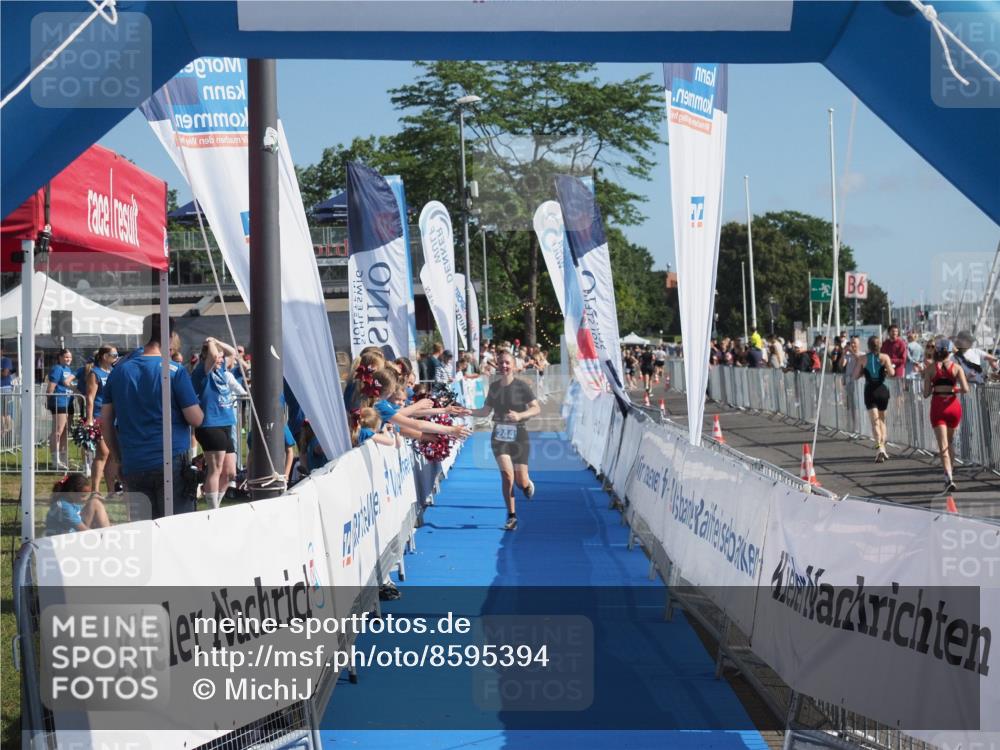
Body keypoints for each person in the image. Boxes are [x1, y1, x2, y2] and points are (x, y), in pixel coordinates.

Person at [102, 315, 204, 519]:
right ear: (169, 336)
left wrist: (118, 458)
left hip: (134, 461)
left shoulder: (118, 372)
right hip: (171, 461)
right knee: (177, 528)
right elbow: (195, 418)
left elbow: (105, 423)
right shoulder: (175, 371)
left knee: (145, 529)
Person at [468, 350, 541, 531]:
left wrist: (520, 415)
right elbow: (485, 411)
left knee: (520, 482)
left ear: (514, 366)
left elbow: (536, 408)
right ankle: (511, 516)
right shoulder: (494, 388)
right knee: (507, 476)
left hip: (519, 436)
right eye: (501, 363)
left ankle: (527, 483)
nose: (504, 366)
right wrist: (466, 411)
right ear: (497, 365)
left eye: (507, 362)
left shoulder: (522, 386)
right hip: (499, 436)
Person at [191, 337, 239, 509]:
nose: (220, 359)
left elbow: (233, 352)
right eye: (217, 356)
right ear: (206, 356)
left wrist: (216, 340)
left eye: (220, 356)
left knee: (230, 472)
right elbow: (211, 356)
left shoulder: (221, 369)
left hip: (226, 423)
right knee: (216, 469)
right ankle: (213, 509)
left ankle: (215, 504)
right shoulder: (203, 370)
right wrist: (211, 344)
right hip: (210, 425)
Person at [922, 338, 969, 493]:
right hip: (953, 407)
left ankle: (948, 476)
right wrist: (953, 389)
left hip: (938, 406)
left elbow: (926, 394)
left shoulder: (930, 369)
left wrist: (934, 386)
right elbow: (965, 389)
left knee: (943, 445)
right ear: (949, 352)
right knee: (950, 442)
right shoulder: (957, 368)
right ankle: (950, 473)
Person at [852, 336, 895, 462]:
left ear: (868, 346)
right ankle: (883, 448)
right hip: (882, 390)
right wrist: (885, 369)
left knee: (874, 422)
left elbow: (854, 376)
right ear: (880, 345)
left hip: (870, 390)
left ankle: (879, 447)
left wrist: (863, 372)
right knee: (882, 421)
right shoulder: (885, 357)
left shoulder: (862, 358)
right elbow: (892, 373)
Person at [84, 346, 119, 496]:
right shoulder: (95, 373)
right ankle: (95, 490)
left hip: (114, 417)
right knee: (103, 453)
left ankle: (111, 490)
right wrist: (90, 419)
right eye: (114, 354)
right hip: (99, 416)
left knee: (113, 454)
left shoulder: (114, 372)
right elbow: (90, 397)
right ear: (105, 356)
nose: (116, 356)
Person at [44, 474, 110, 535]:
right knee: (95, 503)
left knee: (95, 503)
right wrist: (100, 535)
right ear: (71, 493)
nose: (85, 499)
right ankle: (107, 536)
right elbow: (84, 530)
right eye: (83, 496)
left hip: (68, 536)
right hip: (60, 541)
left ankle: (107, 534)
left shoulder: (70, 501)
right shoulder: (64, 507)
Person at [46, 349, 76, 469]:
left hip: (69, 402)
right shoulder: (57, 369)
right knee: (58, 431)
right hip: (60, 402)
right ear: (60, 357)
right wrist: (49, 401)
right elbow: (51, 387)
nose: (69, 359)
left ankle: (64, 458)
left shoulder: (68, 369)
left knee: (65, 431)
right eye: (66, 357)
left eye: (70, 357)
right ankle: (55, 460)